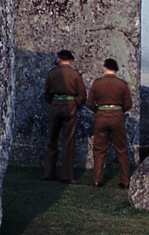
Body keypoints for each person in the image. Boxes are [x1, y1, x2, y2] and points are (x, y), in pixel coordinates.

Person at [87, 58, 133, 189]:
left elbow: (89, 103)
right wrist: (118, 111)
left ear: (105, 67)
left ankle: (97, 180)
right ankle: (125, 181)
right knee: (122, 149)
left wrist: (99, 111)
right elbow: (128, 104)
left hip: (101, 117)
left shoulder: (97, 83)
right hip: (117, 117)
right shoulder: (122, 84)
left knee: (99, 150)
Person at [42, 49, 87, 184]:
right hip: (70, 106)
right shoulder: (75, 75)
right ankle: (67, 175)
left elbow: (46, 94)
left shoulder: (52, 74)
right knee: (68, 141)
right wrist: (75, 104)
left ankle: (49, 173)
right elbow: (82, 95)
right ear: (71, 60)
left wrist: (55, 102)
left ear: (59, 59)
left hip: (55, 105)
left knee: (52, 139)